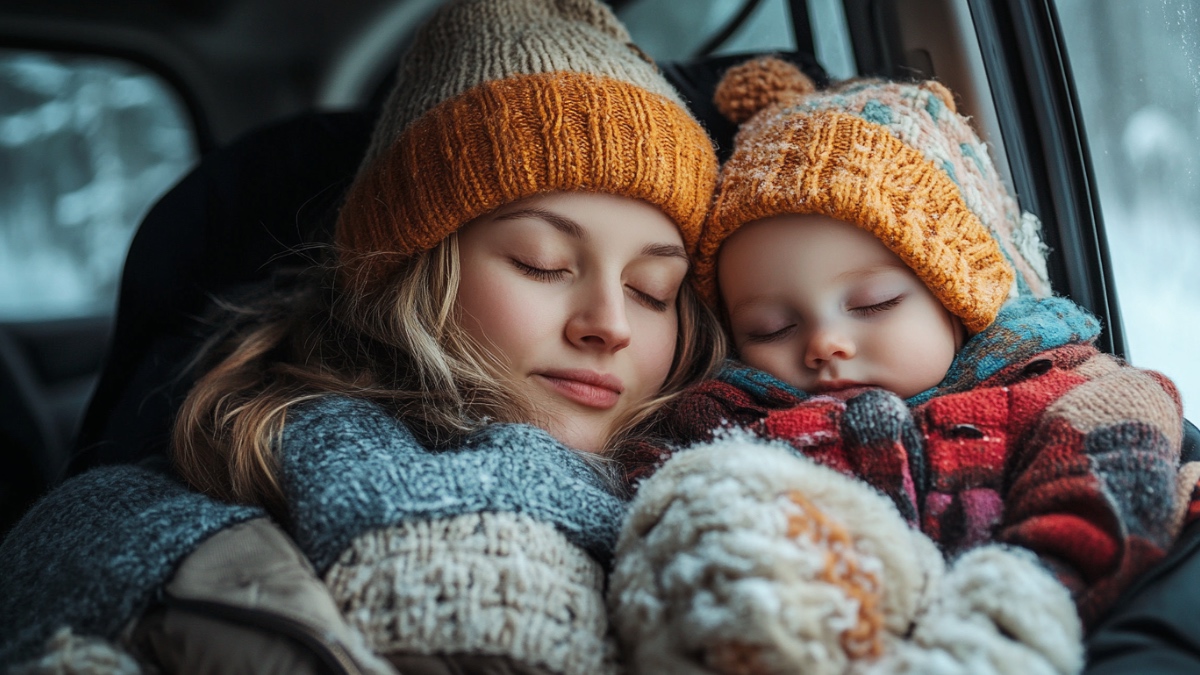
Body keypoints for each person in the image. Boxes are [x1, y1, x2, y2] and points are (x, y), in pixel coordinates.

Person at [0, 1, 725, 673]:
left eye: (650, 290)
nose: (610, 322)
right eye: (543, 263)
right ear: (409, 271)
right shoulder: (237, 464)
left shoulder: (721, 470)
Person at [609, 57, 1197, 674]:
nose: (824, 344)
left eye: (874, 304)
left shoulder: (1061, 394)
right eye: (770, 329)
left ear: (958, 297)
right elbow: (666, 506)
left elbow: (1104, 501)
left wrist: (1015, 607)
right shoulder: (725, 420)